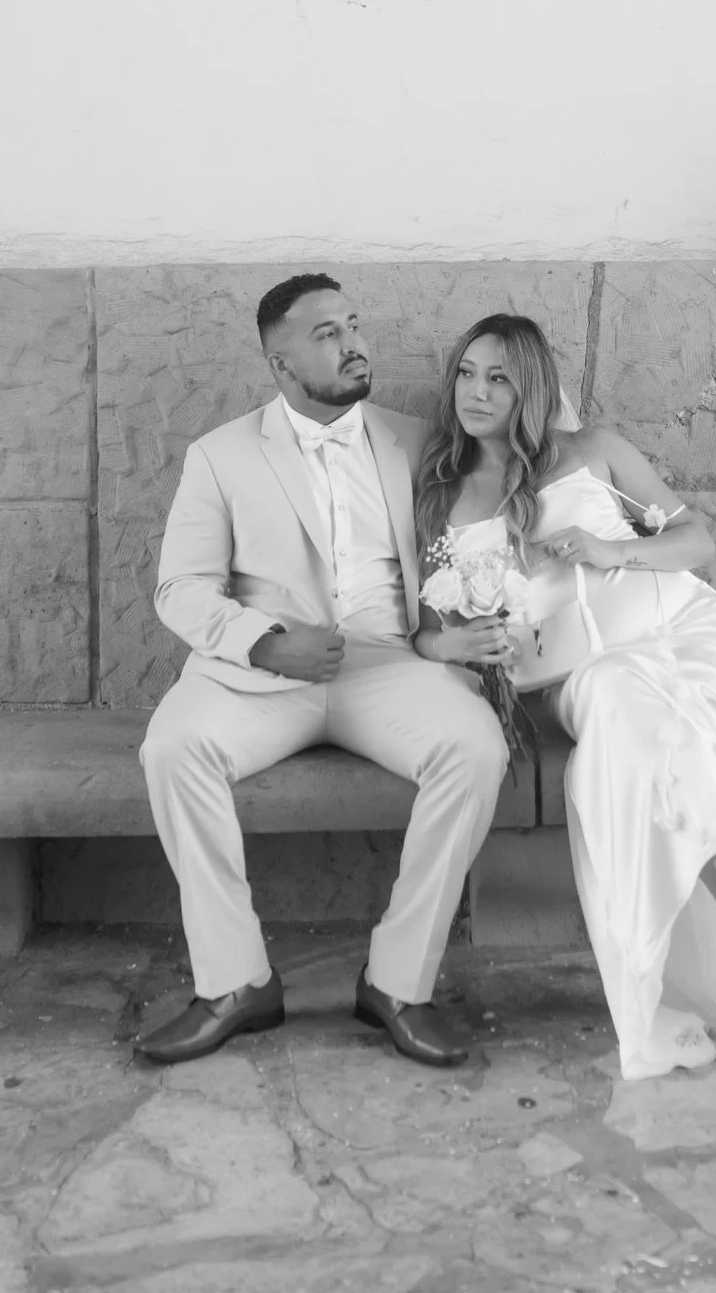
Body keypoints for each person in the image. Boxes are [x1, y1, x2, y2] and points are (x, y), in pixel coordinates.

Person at [411, 313, 716, 1084]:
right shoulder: (442, 496)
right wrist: (458, 645)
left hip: (680, 638)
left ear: (530, 389)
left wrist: (611, 550)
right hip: (575, 682)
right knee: (620, 708)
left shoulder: (594, 454)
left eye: (498, 377)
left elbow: (698, 540)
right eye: (466, 373)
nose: (476, 392)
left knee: (627, 741)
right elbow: (423, 632)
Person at [136, 274, 508, 1067]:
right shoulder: (221, 455)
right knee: (173, 749)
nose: (352, 343)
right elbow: (179, 588)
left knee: (475, 751)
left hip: (390, 664)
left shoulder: (417, 441)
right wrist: (267, 641)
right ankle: (235, 983)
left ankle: (400, 984)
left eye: (353, 324)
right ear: (280, 361)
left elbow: (498, 503)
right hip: (261, 673)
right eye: (326, 333)